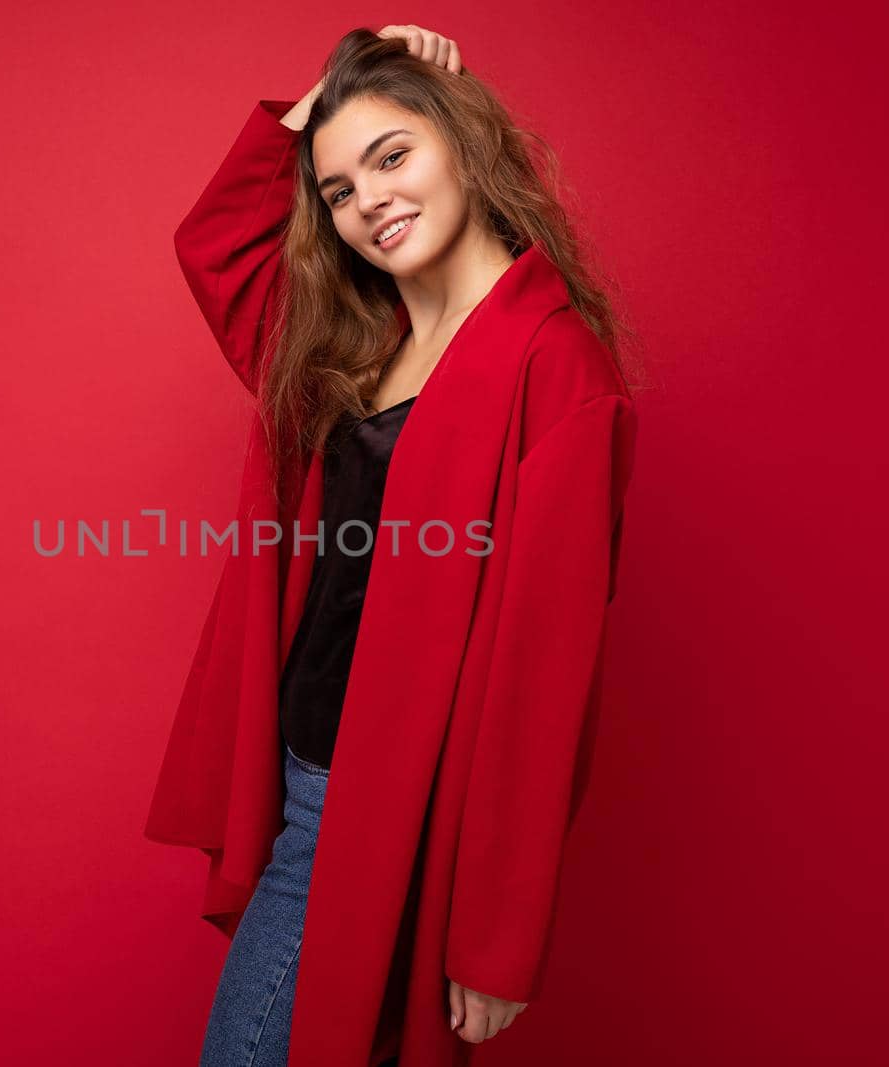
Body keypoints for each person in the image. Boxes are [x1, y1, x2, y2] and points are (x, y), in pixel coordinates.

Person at [145, 24, 643, 1067]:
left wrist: (495, 936)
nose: (368, 200)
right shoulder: (346, 333)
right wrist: (321, 94)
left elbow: (542, 676)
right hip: (294, 764)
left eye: (392, 156)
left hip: (371, 797)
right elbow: (217, 244)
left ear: (463, 144)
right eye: (337, 189)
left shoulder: (554, 368)